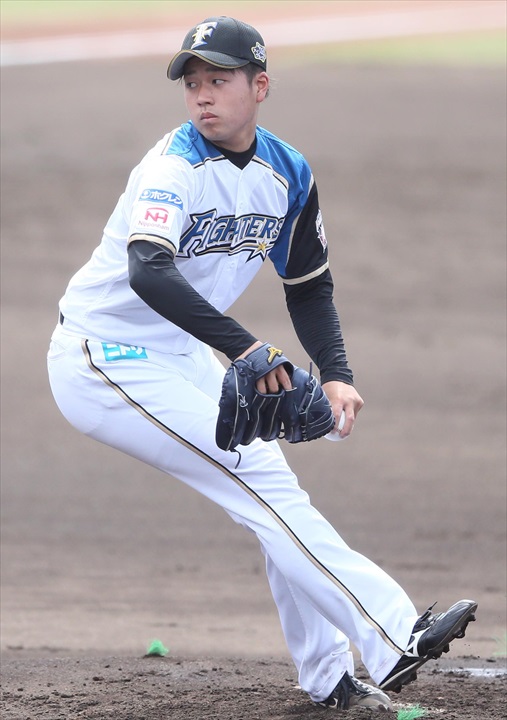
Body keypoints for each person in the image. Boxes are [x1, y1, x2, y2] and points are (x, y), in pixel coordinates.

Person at [47, 16, 477, 712]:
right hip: (103, 356)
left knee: (272, 487)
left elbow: (307, 284)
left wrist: (335, 372)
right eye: (192, 82)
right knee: (255, 481)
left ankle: (328, 677)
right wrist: (245, 348)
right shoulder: (171, 169)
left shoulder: (288, 172)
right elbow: (149, 270)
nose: (202, 94)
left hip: (177, 352)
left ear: (260, 87)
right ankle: (392, 633)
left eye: (218, 79)